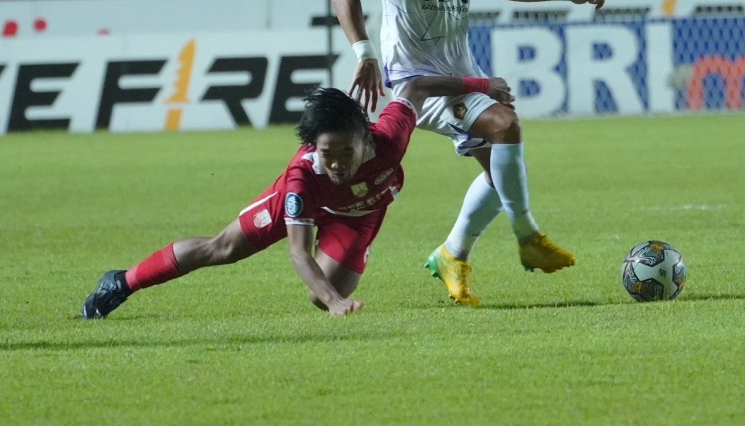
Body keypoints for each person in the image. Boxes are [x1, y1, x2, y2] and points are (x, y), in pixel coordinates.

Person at [331, 0, 607, 307]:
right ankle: (528, 235)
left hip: (461, 70)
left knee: (503, 171)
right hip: (417, 81)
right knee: (506, 126)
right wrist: (364, 51)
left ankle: (452, 254)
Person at [80, 74, 513, 319]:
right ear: (315, 149)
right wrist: (337, 302)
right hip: (312, 206)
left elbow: (415, 88)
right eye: (328, 153)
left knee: (318, 295)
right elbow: (299, 254)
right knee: (222, 248)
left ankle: (330, 290)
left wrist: (480, 85)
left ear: (365, 138)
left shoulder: (389, 137)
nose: (339, 162)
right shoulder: (301, 179)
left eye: (347, 151)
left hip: (359, 215)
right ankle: (121, 282)